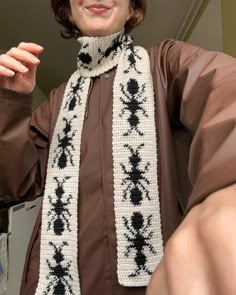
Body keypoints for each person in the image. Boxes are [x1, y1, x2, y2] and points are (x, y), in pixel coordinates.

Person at [0, 0, 236, 294]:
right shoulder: (55, 103)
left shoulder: (165, 64)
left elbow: (225, 87)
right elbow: (21, 184)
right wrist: (10, 102)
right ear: (67, 8)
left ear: (131, 7)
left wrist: (226, 188)